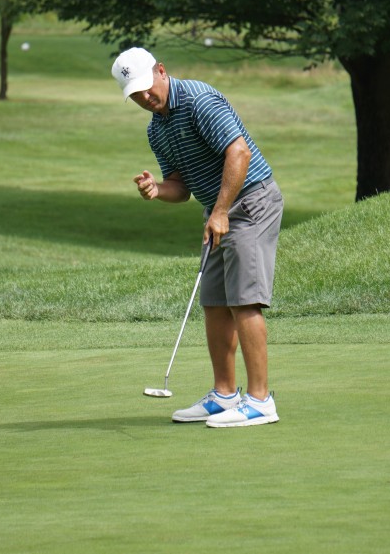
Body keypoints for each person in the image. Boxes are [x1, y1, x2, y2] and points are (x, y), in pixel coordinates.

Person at [112, 46, 284, 427]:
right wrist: (157, 189)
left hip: (251, 202)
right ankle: (225, 394)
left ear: (161, 70)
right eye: (135, 94)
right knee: (215, 301)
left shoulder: (198, 100)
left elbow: (239, 153)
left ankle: (261, 401)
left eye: (146, 86)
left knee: (244, 300)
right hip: (218, 211)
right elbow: (181, 187)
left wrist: (220, 211)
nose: (145, 97)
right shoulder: (157, 129)